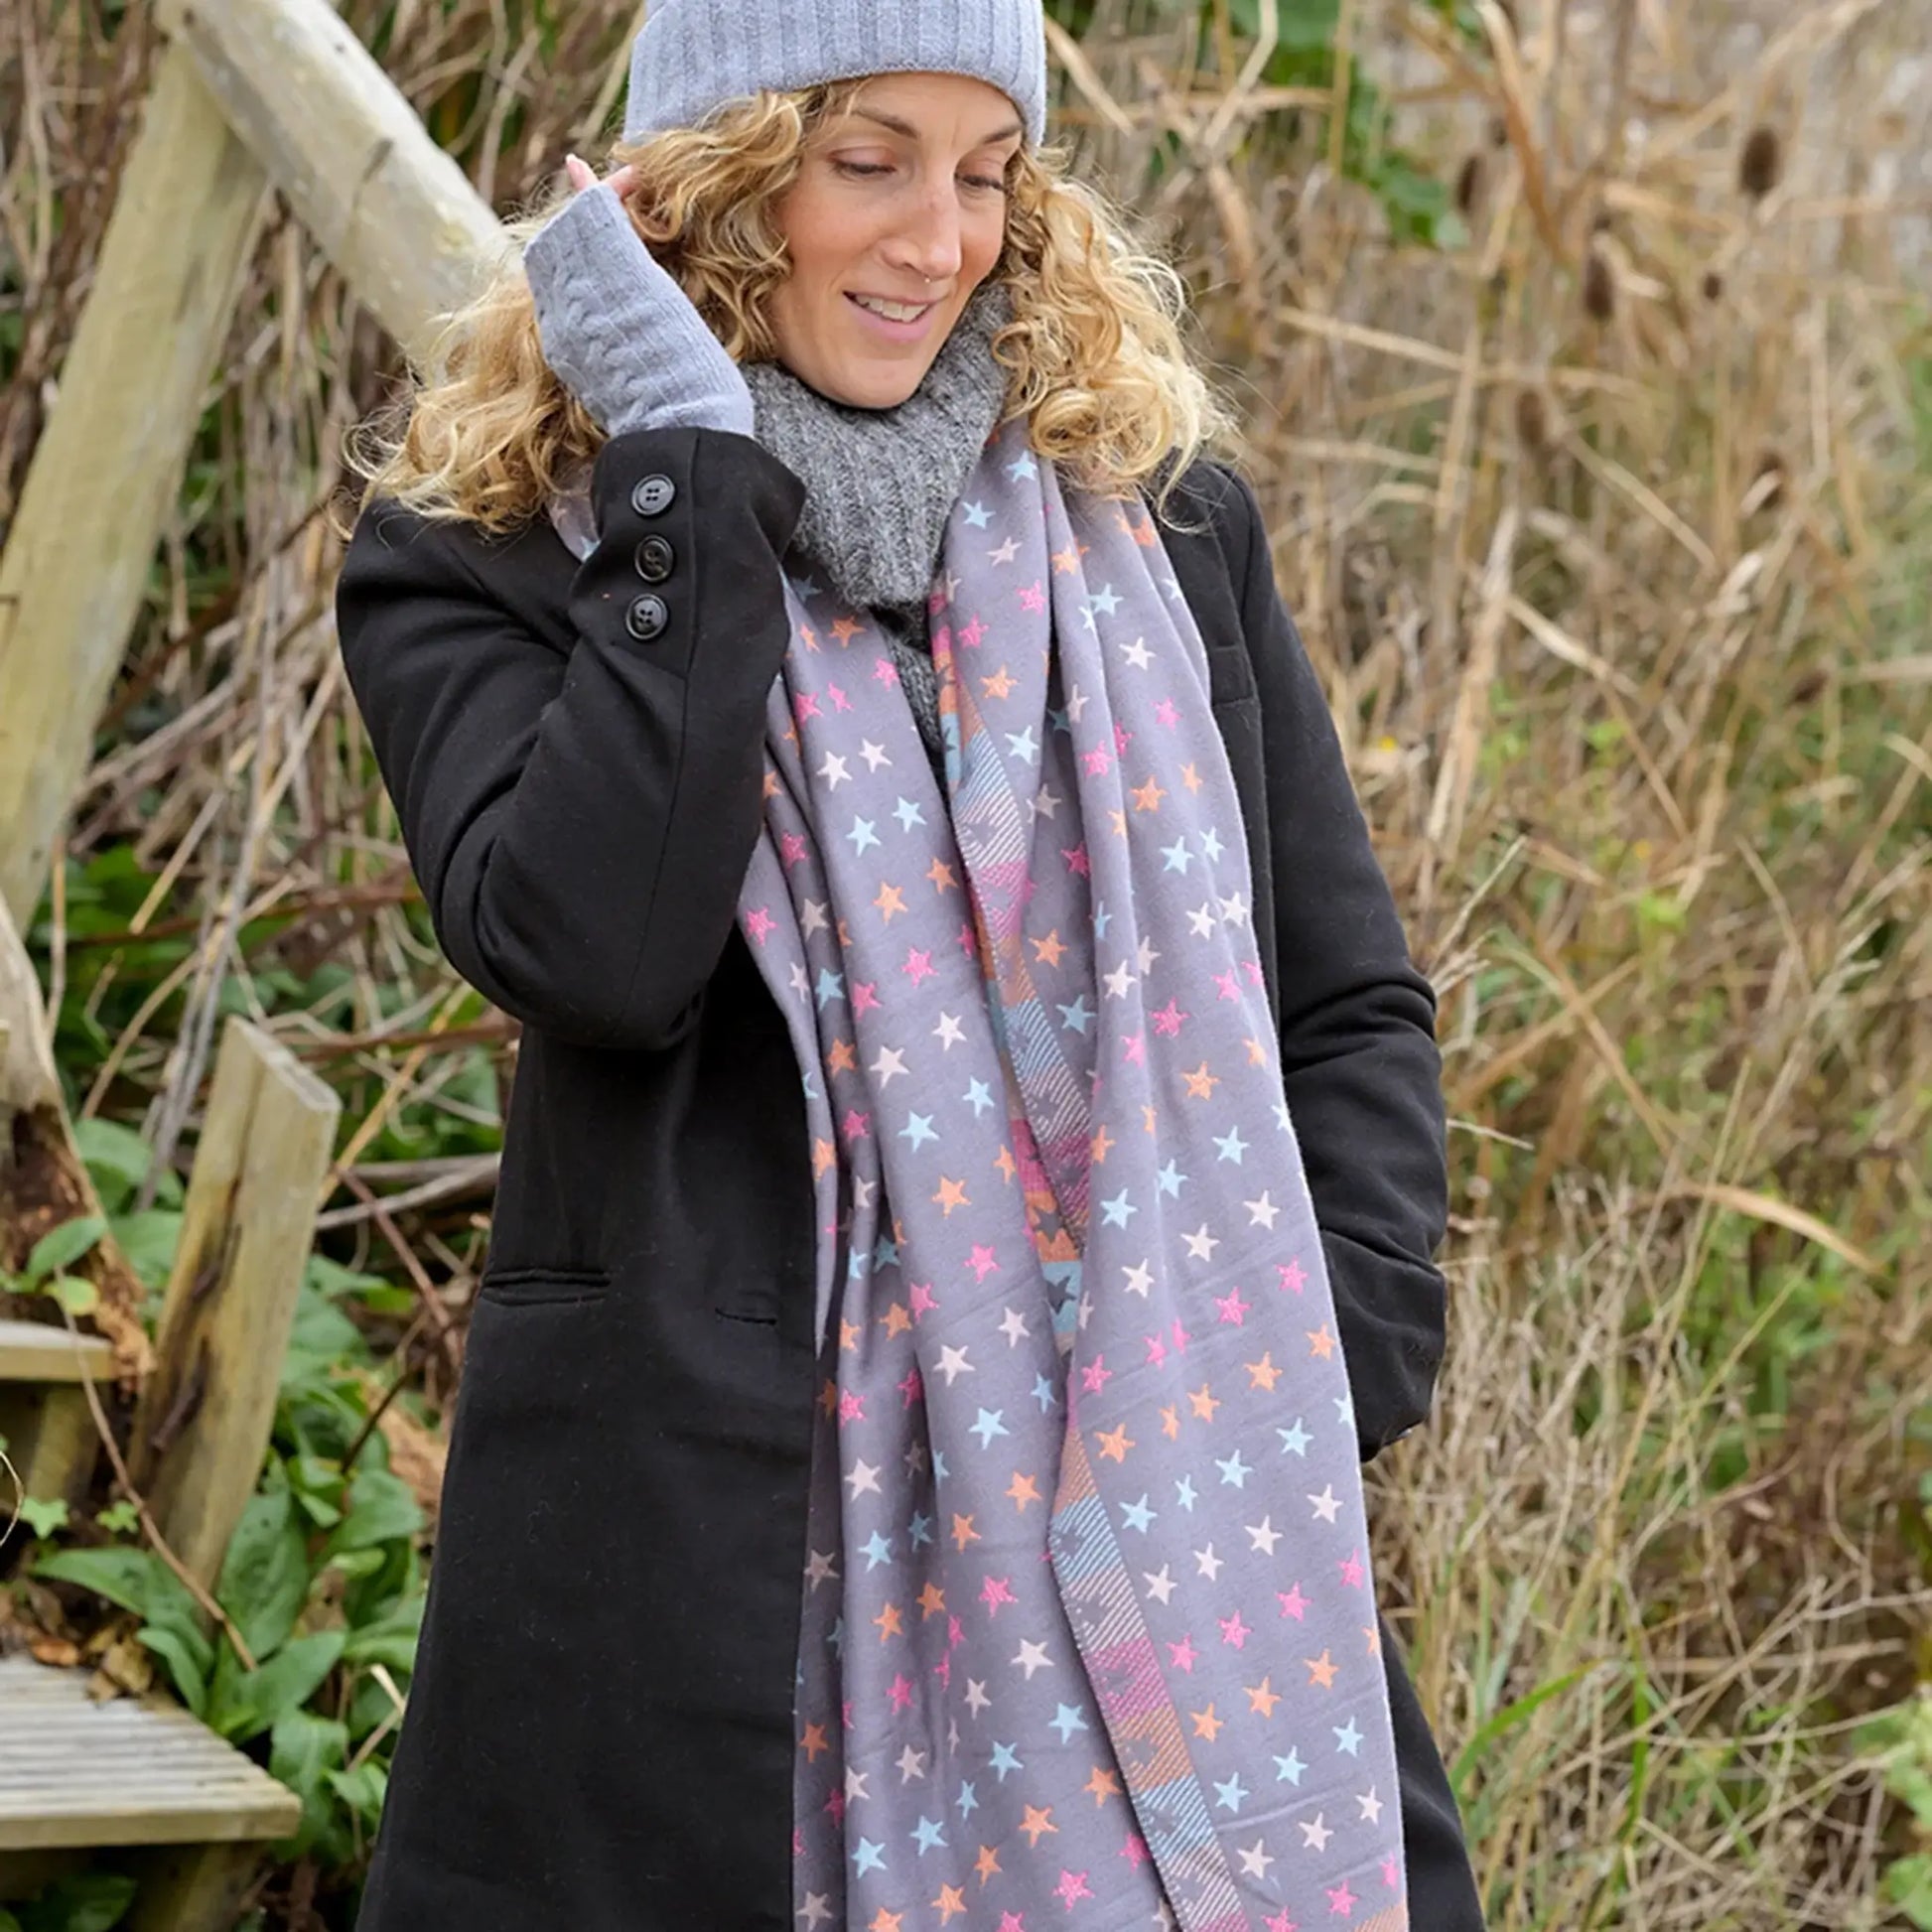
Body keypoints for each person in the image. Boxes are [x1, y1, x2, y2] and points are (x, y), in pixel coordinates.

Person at [337, 3, 1484, 1927]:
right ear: (714, 184)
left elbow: (1342, 995)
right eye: (865, 160)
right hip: (718, 1581)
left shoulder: (1163, 525)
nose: (934, 239)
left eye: (982, 172)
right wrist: (684, 481)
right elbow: (596, 954)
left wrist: (1328, 1330)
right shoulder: (490, 560)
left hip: (1195, 1526)